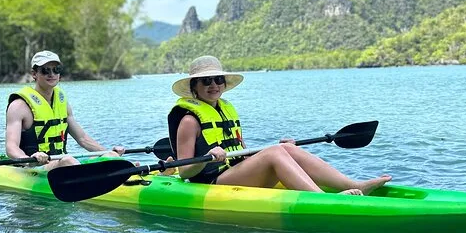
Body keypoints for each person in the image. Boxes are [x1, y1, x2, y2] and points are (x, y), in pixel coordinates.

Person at [167, 56, 392, 195]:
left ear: (224, 84)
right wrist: (208, 157)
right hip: (210, 182)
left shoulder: (225, 110)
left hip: (233, 172)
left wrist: (279, 151)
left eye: (218, 80)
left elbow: (240, 153)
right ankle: (321, 199)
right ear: (194, 87)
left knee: (284, 148)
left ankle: (353, 184)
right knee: (275, 152)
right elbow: (185, 171)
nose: (214, 85)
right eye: (206, 81)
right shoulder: (189, 121)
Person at [5, 50, 124, 170]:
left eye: (56, 70)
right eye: (45, 70)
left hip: (61, 163)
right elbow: (11, 147)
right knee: (68, 161)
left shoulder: (62, 103)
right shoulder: (18, 106)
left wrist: (108, 153)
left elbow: (82, 138)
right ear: (34, 74)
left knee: (111, 156)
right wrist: (29, 160)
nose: (51, 74)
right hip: (34, 167)